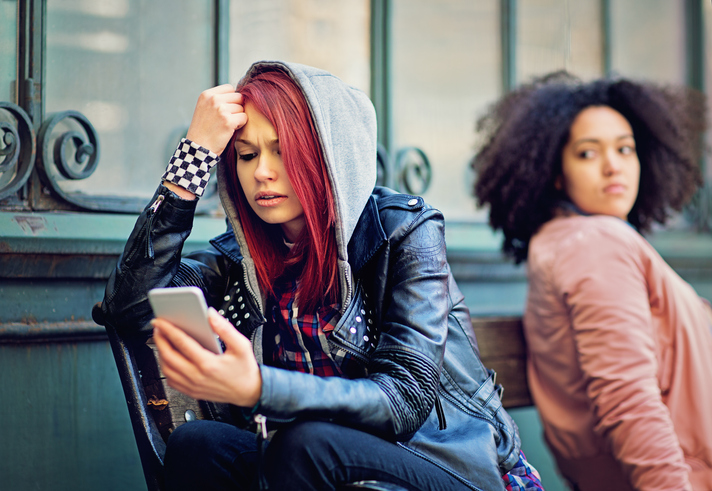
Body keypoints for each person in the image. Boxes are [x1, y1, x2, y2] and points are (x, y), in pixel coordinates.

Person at [101, 61, 543, 491]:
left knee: (306, 443)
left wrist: (260, 386)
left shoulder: (402, 233)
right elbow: (131, 306)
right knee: (199, 444)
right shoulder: (240, 260)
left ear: (329, 154)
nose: (262, 172)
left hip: (441, 465)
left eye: (283, 151)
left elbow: (404, 399)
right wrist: (191, 159)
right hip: (309, 464)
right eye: (247, 154)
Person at [473, 71, 712, 491]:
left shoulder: (570, 241)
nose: (613, 165)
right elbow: (628, 401)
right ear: (555, 172)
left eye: (626, 148)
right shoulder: (595, 242)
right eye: (587, 153)